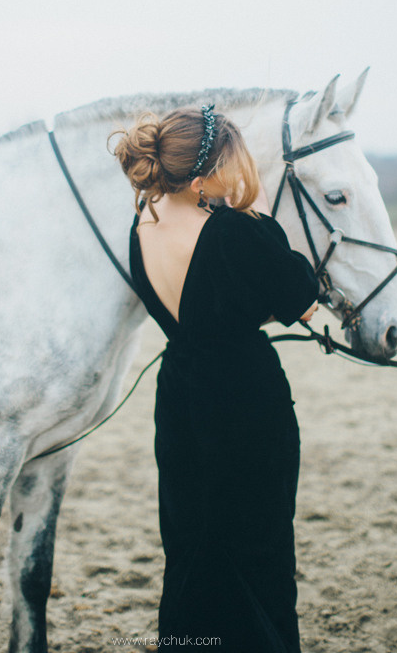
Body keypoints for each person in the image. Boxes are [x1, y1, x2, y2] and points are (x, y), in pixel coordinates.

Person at [113, 103, 318, 653]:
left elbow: (203, 302)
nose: (239, 169)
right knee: (260, 547)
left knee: (192, 546)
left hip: (179, 400)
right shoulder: (233, 232)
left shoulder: (141, 230)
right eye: (231, 160)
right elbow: (300, 295)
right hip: (244, 401)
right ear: (202, 176)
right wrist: (260, 220)